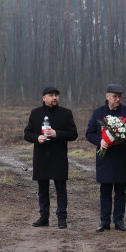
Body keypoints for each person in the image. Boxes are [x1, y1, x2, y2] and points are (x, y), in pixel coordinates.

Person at [85, 84, 126, 231]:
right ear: (107, 97)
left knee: (120, 191)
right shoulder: (98, 113)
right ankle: (104, 222)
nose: (118, 99)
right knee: (105, 190)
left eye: (120, 97)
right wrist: (100, 141)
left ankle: (119, 220)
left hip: (122, 157)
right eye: (115, 96)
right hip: (105, 158)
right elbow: (89, 133)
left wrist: (125, 138)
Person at [24, 86, 78, 228]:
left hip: (58, 156)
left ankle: (61, 217)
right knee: (42, 189)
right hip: (41, 156)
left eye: (56, 95)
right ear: (44, 98)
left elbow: (73, 134)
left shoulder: (66, 114)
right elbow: (27, 134)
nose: (55, 98)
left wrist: (57, 134)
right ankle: (44, 217)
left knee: (61, 188)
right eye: (51, 95)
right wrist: (37, 138)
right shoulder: (35, 113)